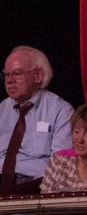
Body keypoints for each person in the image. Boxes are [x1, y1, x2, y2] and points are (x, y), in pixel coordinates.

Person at [0, 45, 72, 189]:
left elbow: (61, 164)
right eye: (6, 74)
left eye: (17, 73)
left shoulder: (60, 110)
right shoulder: (2, 109)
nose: (9, 80)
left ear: (38, 76)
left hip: (34, 185)